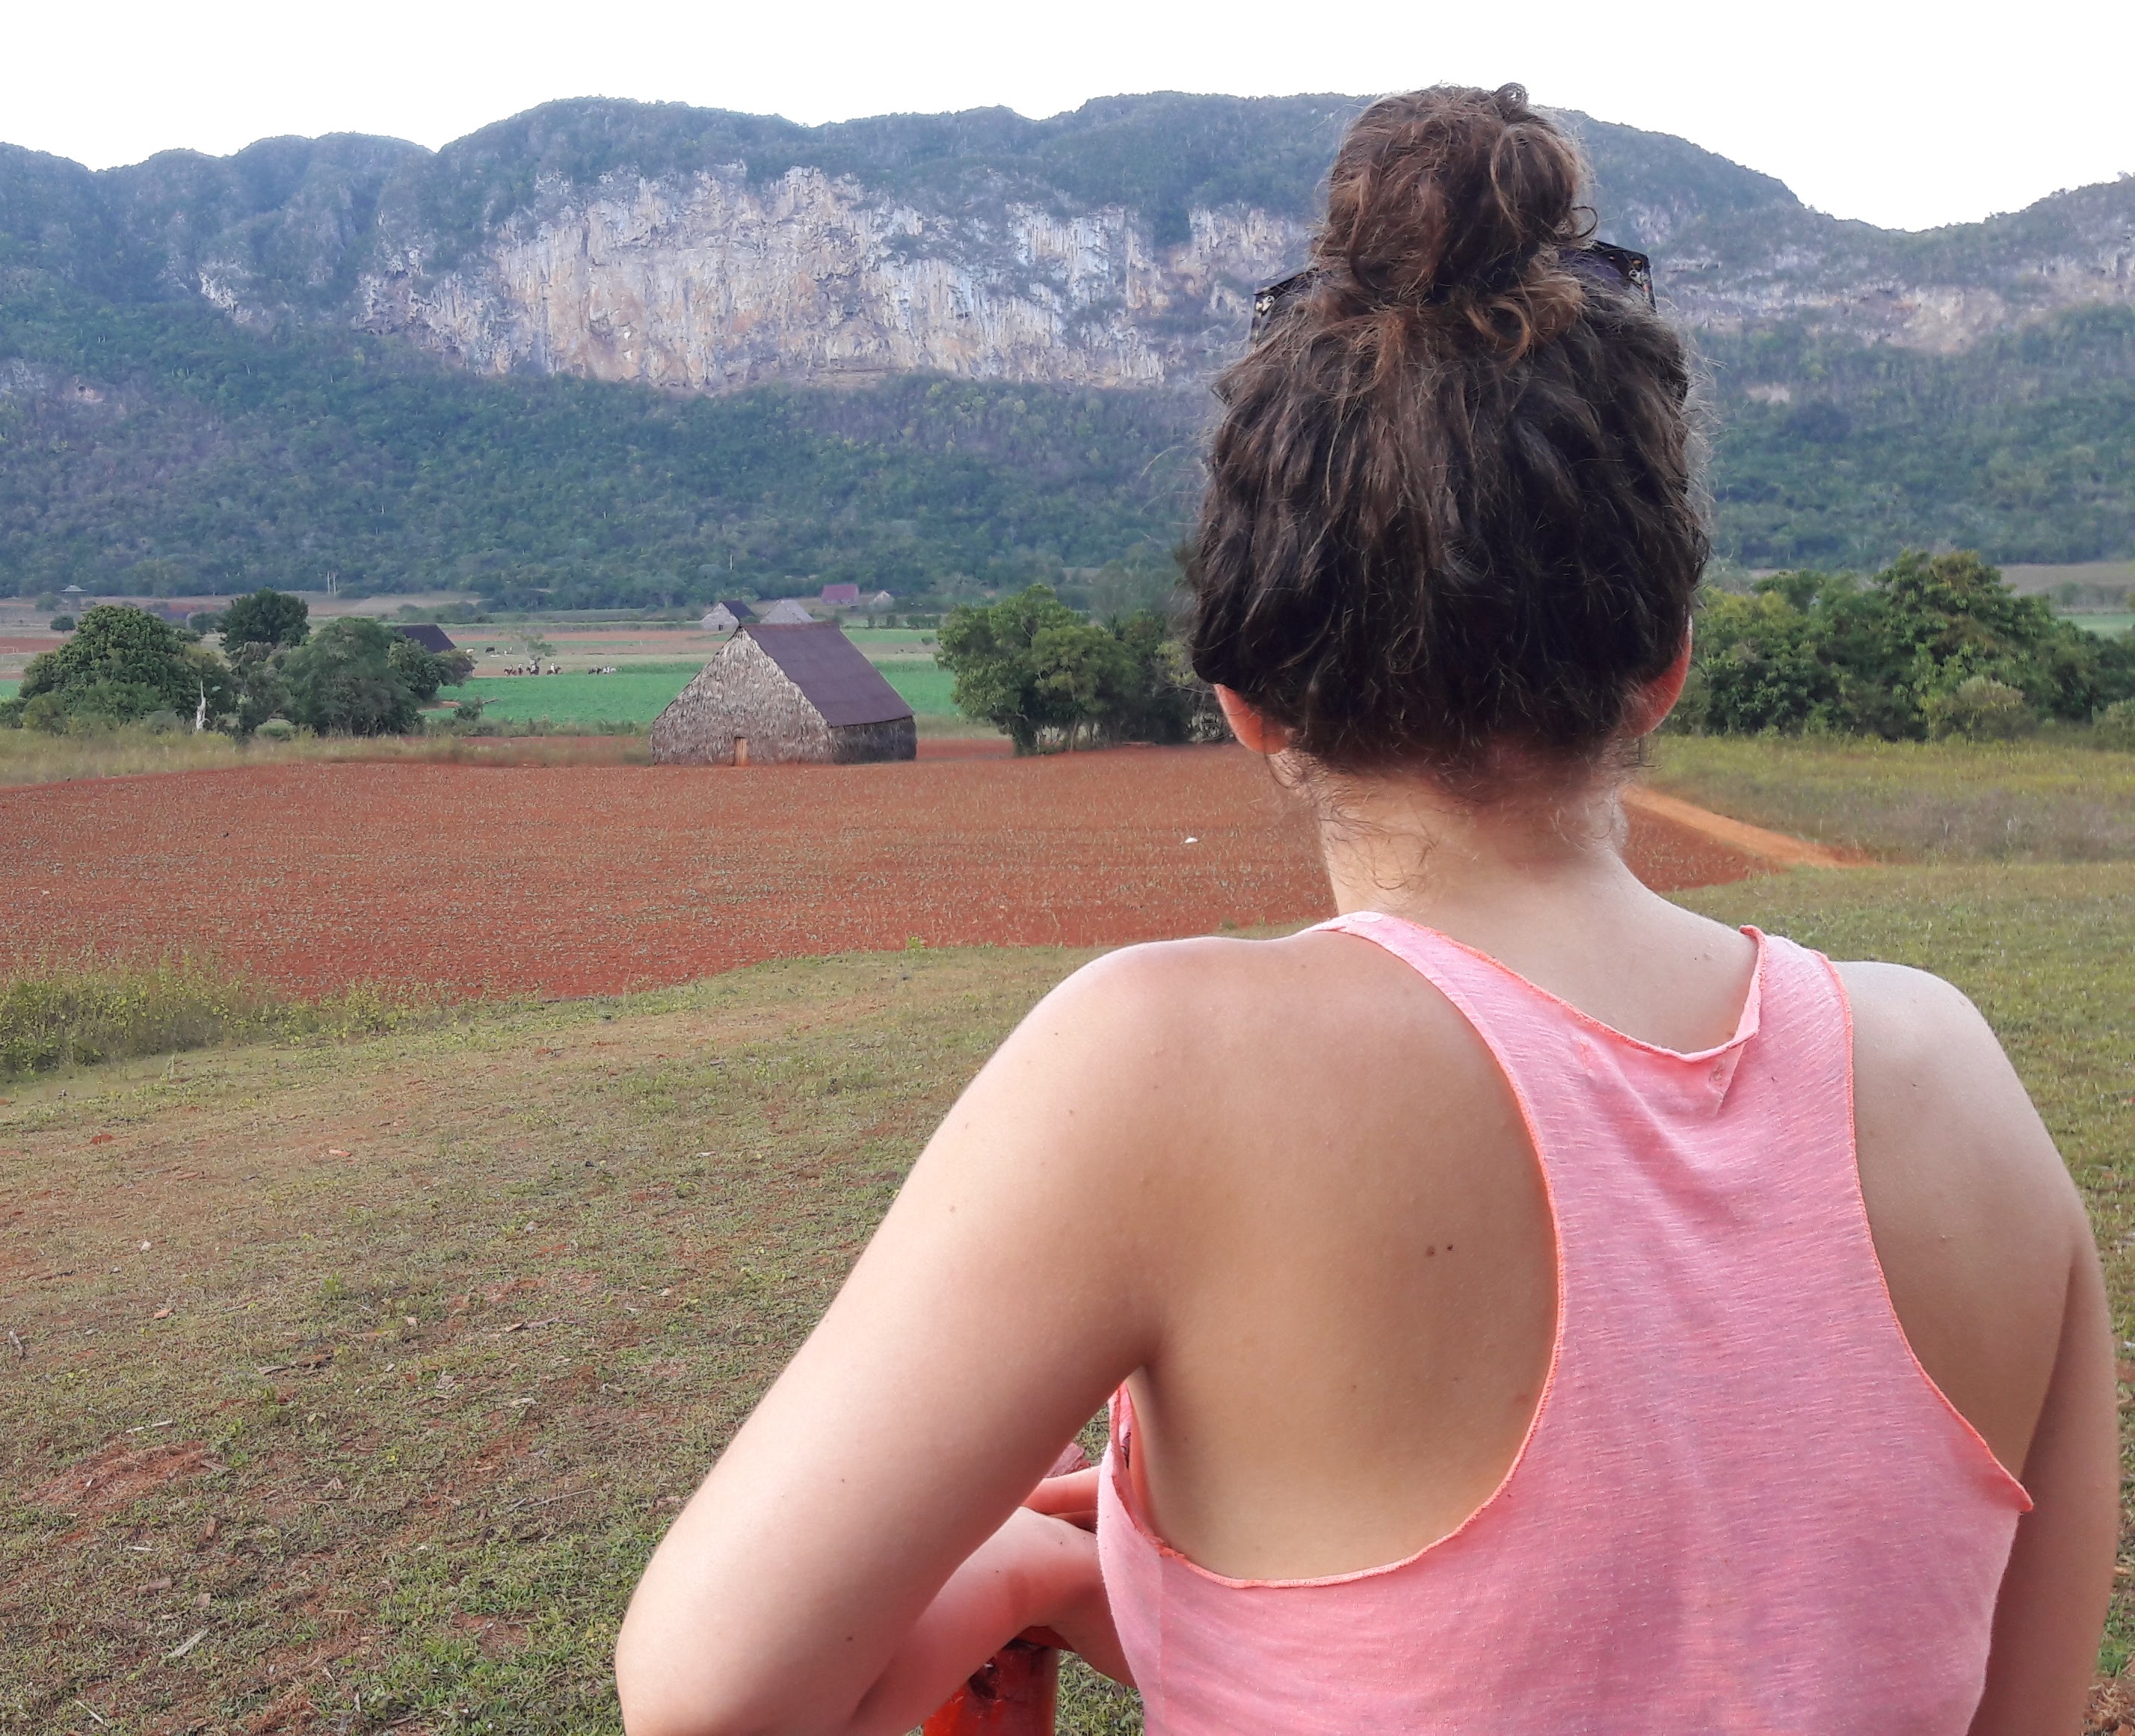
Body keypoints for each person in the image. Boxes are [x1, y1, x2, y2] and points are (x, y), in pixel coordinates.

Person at [614, 84, 2111, 1735]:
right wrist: (1103, 1577)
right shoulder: (1957, 1077)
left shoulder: (1162, 1070)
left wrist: (1033, 1571)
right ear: (1659, 669)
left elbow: (706, 1692)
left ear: (1251, 700)